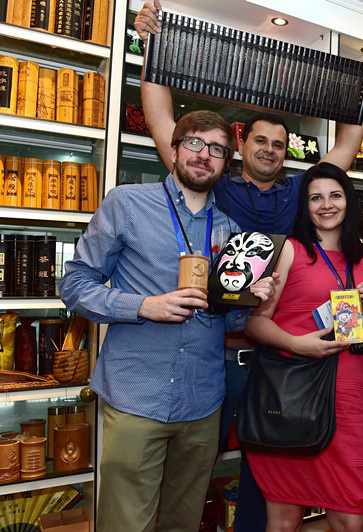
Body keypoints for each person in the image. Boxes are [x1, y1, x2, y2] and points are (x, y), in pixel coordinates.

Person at [134, 5, 363, 530]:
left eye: (280, 144)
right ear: (240, 145)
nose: (270, 150)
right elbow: (163, 125)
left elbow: (346, 144)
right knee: (194, 470)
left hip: (287, 364)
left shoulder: (302, 192)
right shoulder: (215, 181)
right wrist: (151, 50)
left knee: (268, 480)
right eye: (261, 141)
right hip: (220, 355)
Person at [60, 111, 275, 532]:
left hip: (202, 400)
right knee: (126, 523)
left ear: (225, 163)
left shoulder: (231, 231)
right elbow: (74, 285)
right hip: (137, 395)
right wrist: (143, 306)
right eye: (194, 143)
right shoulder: (127, 203)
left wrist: (254, 299)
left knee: (184, 521)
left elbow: (229, 317)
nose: (204, 155)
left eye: (217, 149)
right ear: (173, 150)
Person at [244, 162, 363, 532]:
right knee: (284, 519)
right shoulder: (290, 251)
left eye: (335, 195)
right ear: (305, 206)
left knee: (352, 518)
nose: (326, 204)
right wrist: (296, 343)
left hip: (348, 400)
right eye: (316, 197)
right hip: (291, 399)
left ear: (349, 202)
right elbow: (255, 322)